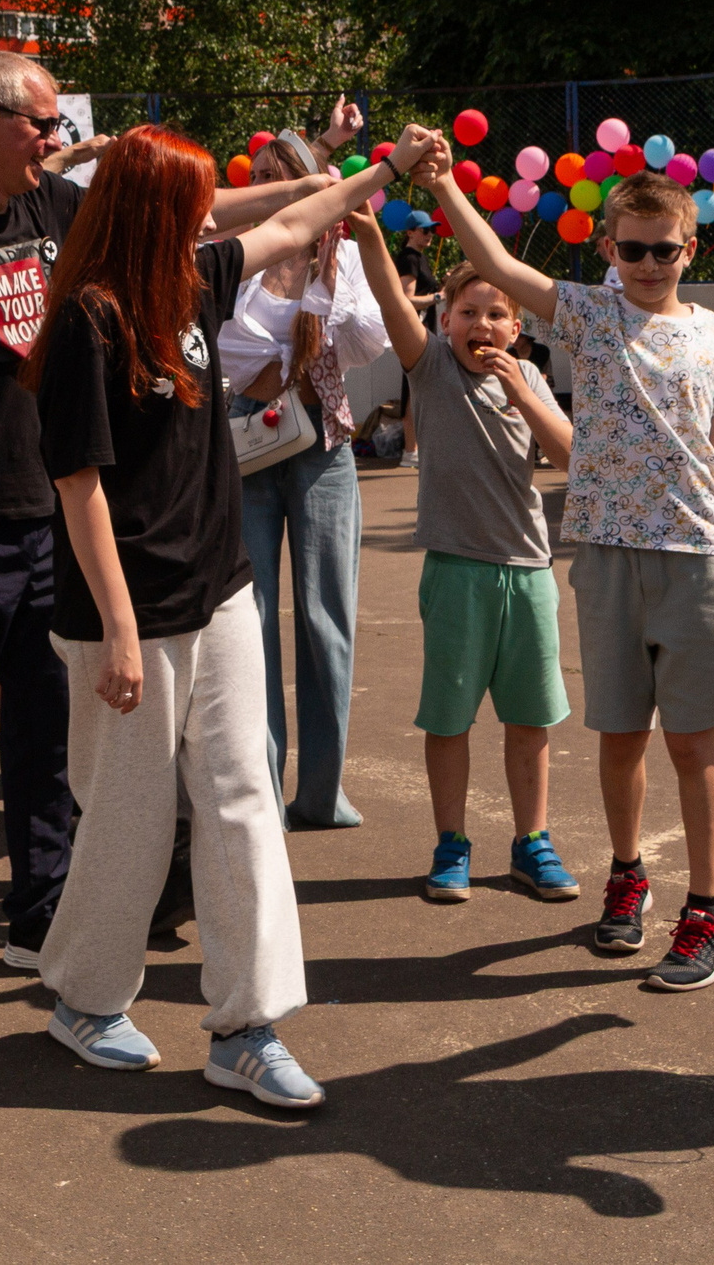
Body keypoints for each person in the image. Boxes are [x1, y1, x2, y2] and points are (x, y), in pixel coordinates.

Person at [0, 52, 357, 1031]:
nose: (56, 139)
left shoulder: (53, 204)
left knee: (48, 741)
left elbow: (192, 212)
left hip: (54, 515)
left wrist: (313, 185)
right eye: (41, 123)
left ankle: (39, 915)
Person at [27, 120, 444, 1103]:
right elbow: (78, 485)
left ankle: (248, 1024)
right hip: (125, 613)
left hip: (219, 590)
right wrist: (119, 630)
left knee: (241, 797)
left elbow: (296, 216)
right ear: (155, 210)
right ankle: (85, 998)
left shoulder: (195, 279)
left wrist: (387, 168)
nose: (213, 218)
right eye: (196, 202)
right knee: (129, 815)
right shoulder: (87, 319)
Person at [414, 157, 714, 993]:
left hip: (700, 555)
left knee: (693, 740)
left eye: (665, 250)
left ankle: (710, 913)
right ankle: (627, 876)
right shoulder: (589, 314)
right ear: (608, 249)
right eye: (632, 249)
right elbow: (497, 264)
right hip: (607, 555)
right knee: (620, 735)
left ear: (690, 250)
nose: (649, 265)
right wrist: (441, 187)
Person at [351, 217, 578, 904]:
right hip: (456, 573)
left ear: (517, 328)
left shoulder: (529, 375)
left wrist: (522, 393)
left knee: (530, 719)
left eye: (496, 314)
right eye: (469, 313)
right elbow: (390, 299)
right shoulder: (433, 368)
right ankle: (450, 844)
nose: (483, 325)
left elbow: (571, 457)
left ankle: (532, 843)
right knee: (449, 718)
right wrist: (369, 233)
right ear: (445, 321)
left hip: (529, 571)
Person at [222, 111, 393, 830]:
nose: (264, 187)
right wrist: (292, 332)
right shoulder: (230, 254)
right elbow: (232, 348)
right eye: (256, 177)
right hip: (244, 444)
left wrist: (312, 313)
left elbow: (366, 342)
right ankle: (261, 787)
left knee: (328, 618)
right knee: (250, 618)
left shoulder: (341, 251)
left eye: (278, 175)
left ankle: (322, 792)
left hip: (323, 443)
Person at [392, 216, 442, 467]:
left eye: (432, 230)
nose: (430, 234)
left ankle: (416, 448)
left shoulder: (419, 258)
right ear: (410, 232)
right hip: (415, 331)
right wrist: (438, 297)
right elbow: (407, 299)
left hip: (423, 330)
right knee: (414, 387)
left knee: (421, 386)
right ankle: (410, 450)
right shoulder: (409, 258)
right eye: (425, 230)